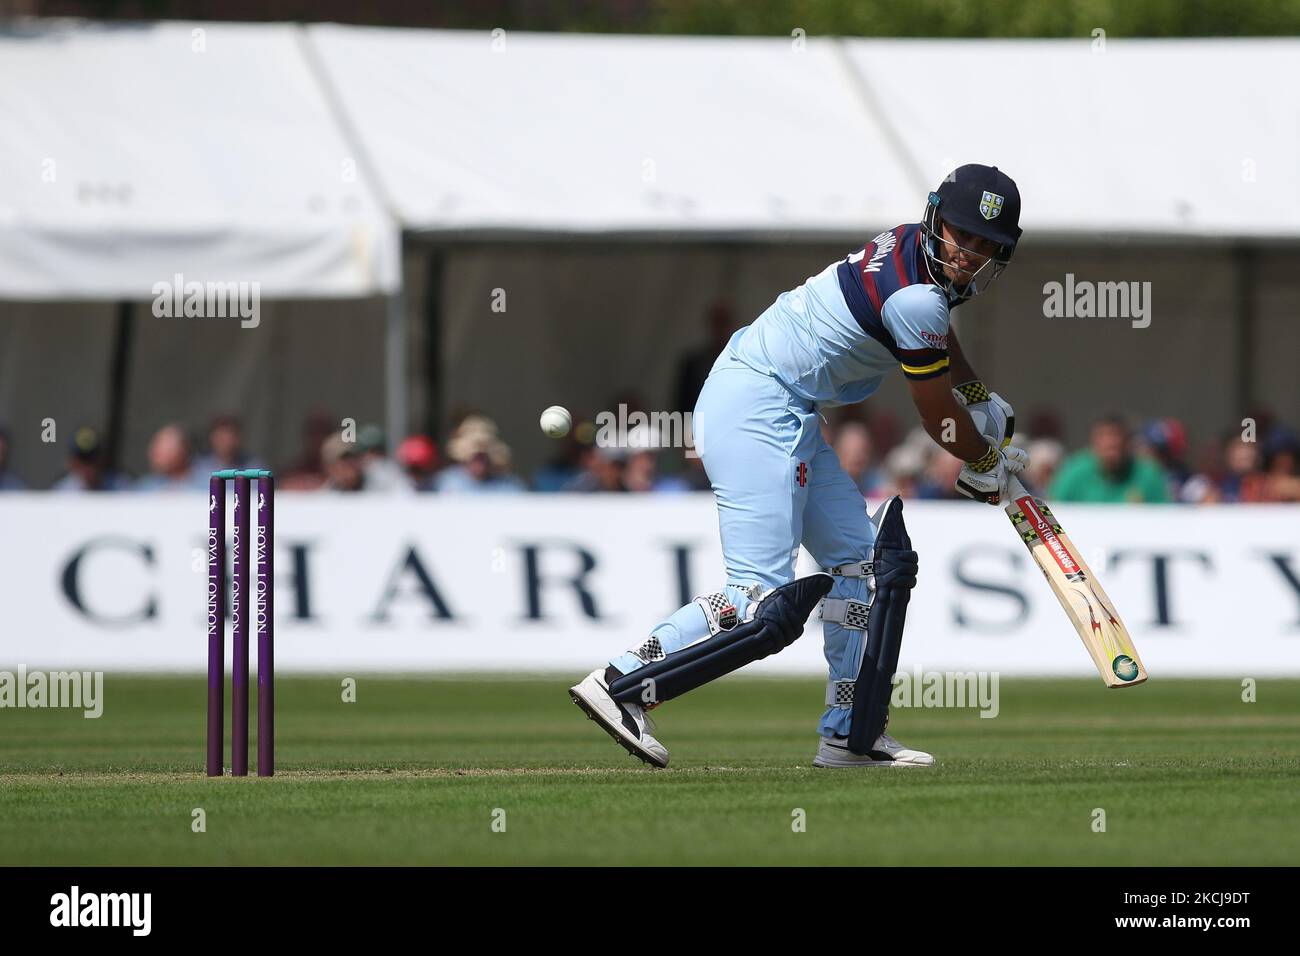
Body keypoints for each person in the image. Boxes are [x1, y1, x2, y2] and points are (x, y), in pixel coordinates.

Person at [570, 164, 1028, 769]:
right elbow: (935, 414)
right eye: (959, 236)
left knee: (866, 565)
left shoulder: (917, 265)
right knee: (759, 599)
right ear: (934, 217)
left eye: (984, 246)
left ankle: (849, 734)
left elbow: (939, 345)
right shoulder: (916, 296)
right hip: (758, 402)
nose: (966, 254)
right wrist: (983, 457)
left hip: (784, 406)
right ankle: (623, 684)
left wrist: (977, 400)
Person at [1049, 415, 1169, 503]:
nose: (1112, 443)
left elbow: (1165, 515)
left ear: (1128, 441)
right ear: (1094, 441)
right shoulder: (1073, 472)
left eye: (1117, 435)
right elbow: (1054, 511)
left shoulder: (1148, 474)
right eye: (1104, 436)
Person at [53, 427, 129, 492]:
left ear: (102, 459)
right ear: (73, 462)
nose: (88, 467)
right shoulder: (62, 494)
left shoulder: (121, 488)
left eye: (92, 459)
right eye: (82, 460)